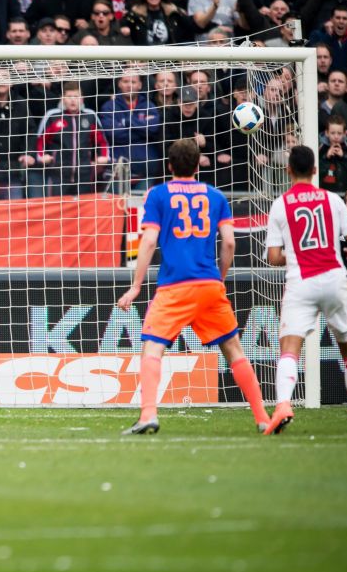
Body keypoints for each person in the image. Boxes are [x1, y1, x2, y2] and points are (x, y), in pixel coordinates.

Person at [117, 138, 272, 435]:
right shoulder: (215, 196)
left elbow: (149, 241)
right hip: (209, 283)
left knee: (152, 348)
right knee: (234, 350)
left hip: (174, 286)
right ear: (198, 164)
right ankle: (263, 417)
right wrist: (220, 279)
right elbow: (229, 242)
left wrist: (136, 285)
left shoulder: (158, 195)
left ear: (170, 165)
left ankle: (149, 414)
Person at [264, 145, 347, 435]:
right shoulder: (333, 200)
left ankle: (283, 404)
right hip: (334, 278)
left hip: (302, 281)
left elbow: (273, 257)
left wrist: (297, 254)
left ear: (288, 171)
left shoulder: (280, 204)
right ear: (314, 170)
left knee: (289, 348)